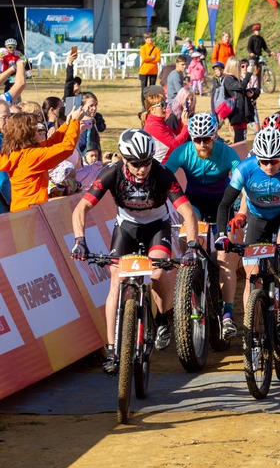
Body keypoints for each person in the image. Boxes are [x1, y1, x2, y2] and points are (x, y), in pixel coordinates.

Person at [70, 129, 200, 372]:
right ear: (124, 159)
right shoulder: (111, 173)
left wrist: (192, 246)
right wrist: (80, 240)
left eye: (146, 162)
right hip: (126, 229)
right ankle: (112, 350)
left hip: (156, 227)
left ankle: (162, 318)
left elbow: (187, 213)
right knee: (116, 281)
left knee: (158, 273)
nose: (142, 169)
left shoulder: (162, 173)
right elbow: (81, 208)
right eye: (136, 163)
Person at [215, 127, 280, 315]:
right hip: (257, 217)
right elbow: (224, 205)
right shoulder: (245, 169)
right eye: (264, 161)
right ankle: (251, 328)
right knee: (252, 276)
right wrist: (222, 235)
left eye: (275, 161)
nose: (270, 166)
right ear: (257, 158)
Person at [164, 113, 244, 338]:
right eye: (197, 139)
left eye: (206, 139)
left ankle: (228, 314)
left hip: (222, 205)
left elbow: (243, 180)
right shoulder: (183, 152)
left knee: (224, 258)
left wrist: (240, 208)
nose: (201, 144)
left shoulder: (227, 153)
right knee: (186, 240)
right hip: (195, 205)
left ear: (215, 136)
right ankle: (191, 282)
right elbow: (163, 176)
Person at [0, 107, 82, 212]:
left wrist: (67, 124)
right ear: (27, 132)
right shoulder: (30, 156)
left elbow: (51, 142)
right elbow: (66, 148)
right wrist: (75, 122)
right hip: (31, 211)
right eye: (35, 128)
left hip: (20, 208)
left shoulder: (17, 152)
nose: (38, 130)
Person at [141, 86, 189, 163]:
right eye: (161, 105)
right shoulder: (153, 126)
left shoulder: (159, 122)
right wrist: (186, 126)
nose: (165, 107)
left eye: (165, 104)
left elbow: (175, 136)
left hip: (170, 161)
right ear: (152, 110)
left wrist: (182, 122)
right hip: (162, 164)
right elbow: (174, 144)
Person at [138, 32, 161, 105]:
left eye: (150, 37)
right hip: (144, 71)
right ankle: (143, 104)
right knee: (144, 89)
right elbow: (144, 58)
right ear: (145, 39)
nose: (149, 39)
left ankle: (151, 103)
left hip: (153, 71)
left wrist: (150, 59)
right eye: (147, 38)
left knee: (152, 89)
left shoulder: (156, 48)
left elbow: (158, 59)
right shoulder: (143, 48)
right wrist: (152, 57)